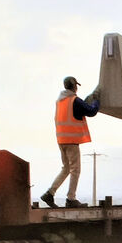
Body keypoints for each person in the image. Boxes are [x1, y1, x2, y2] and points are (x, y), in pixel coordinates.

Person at [40, 76, 101, 209]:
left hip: (61, 140)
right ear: (74, 86)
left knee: (66, 168)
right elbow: (91, 111)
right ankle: (71, 198)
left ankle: (49, 193)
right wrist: (96, 101)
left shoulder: (60, 101)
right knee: (75, 170)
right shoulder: (75, 101)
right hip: (71, 140)